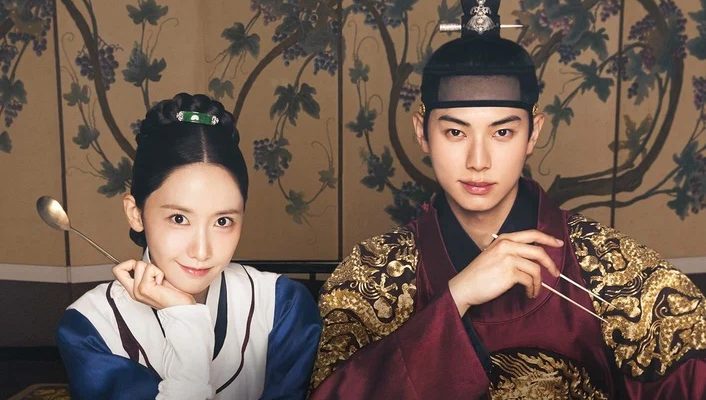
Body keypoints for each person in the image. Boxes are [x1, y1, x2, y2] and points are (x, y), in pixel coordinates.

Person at [309, 0, 706, 398]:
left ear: (533, 133)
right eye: (455, 132)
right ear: (421, 133)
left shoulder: (607, 266)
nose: (478, 161)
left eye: (502, 133)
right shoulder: (372, 276)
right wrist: (456, 298)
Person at [56, 93, 321, 399]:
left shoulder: (280, 307)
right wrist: (186, 318)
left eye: (223, 221)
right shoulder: (91, 326)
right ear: (136, 213)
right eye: (179, 218)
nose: (201, 251)